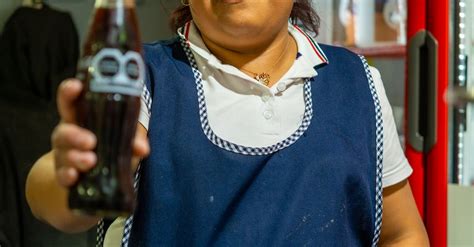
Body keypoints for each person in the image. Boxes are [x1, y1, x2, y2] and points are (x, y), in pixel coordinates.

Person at [26, 0, 429, 246]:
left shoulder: (357, 81)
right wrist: (69, 178)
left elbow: (402, 234)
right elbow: (52, 196)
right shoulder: (143, 77)